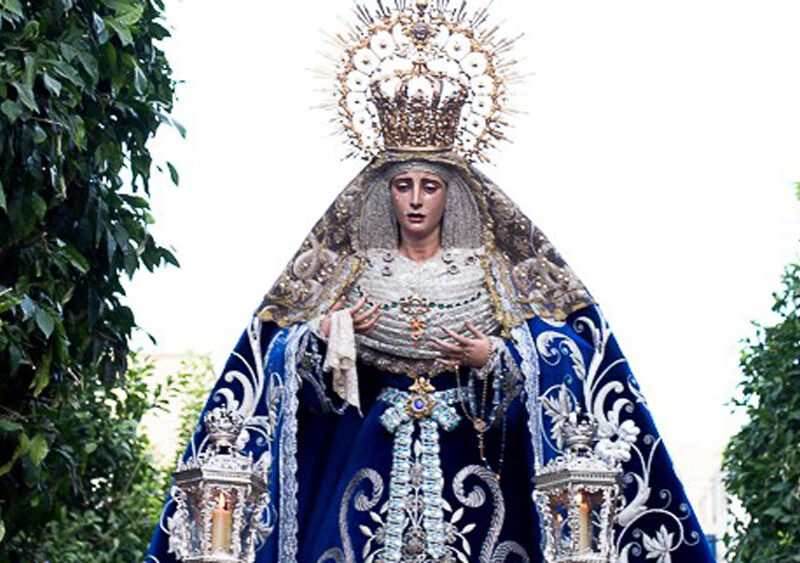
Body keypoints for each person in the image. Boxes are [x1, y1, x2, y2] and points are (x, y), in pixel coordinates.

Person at [145, 2, 715, 561]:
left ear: (454, 194)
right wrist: (318, 338)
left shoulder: (495, 275)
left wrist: (499, 352)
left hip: (477, 465)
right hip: (363, 466)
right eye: (403, 185)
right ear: (383, 193)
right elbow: (272, 359)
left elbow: (576, 350)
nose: (416, 200)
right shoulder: (347, 274)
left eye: (430, 185)